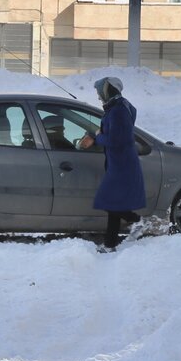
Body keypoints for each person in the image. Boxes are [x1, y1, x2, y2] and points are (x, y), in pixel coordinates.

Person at [78, 77, 145, 252]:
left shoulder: (118, 111)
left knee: (110, 201)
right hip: (120, 161)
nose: (99, 96)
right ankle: (111, 243)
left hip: (121, 163)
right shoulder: (119, 107)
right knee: (114, 204)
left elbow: (117, 139)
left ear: (108, 90)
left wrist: (97, 137)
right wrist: (100, 133)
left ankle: (138, 221)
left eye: (100, 92)